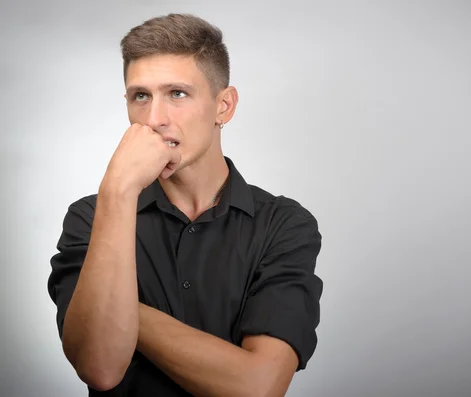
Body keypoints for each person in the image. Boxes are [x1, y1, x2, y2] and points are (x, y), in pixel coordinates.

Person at [47, 13, 323, 397]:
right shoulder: (91, 216)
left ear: (223, 107)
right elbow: (100, 368)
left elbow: (257, 387)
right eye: (140, 96)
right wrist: (119, 191)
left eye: (177, 93)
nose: (154, 118)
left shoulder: (283, 224)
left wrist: (123, 313)